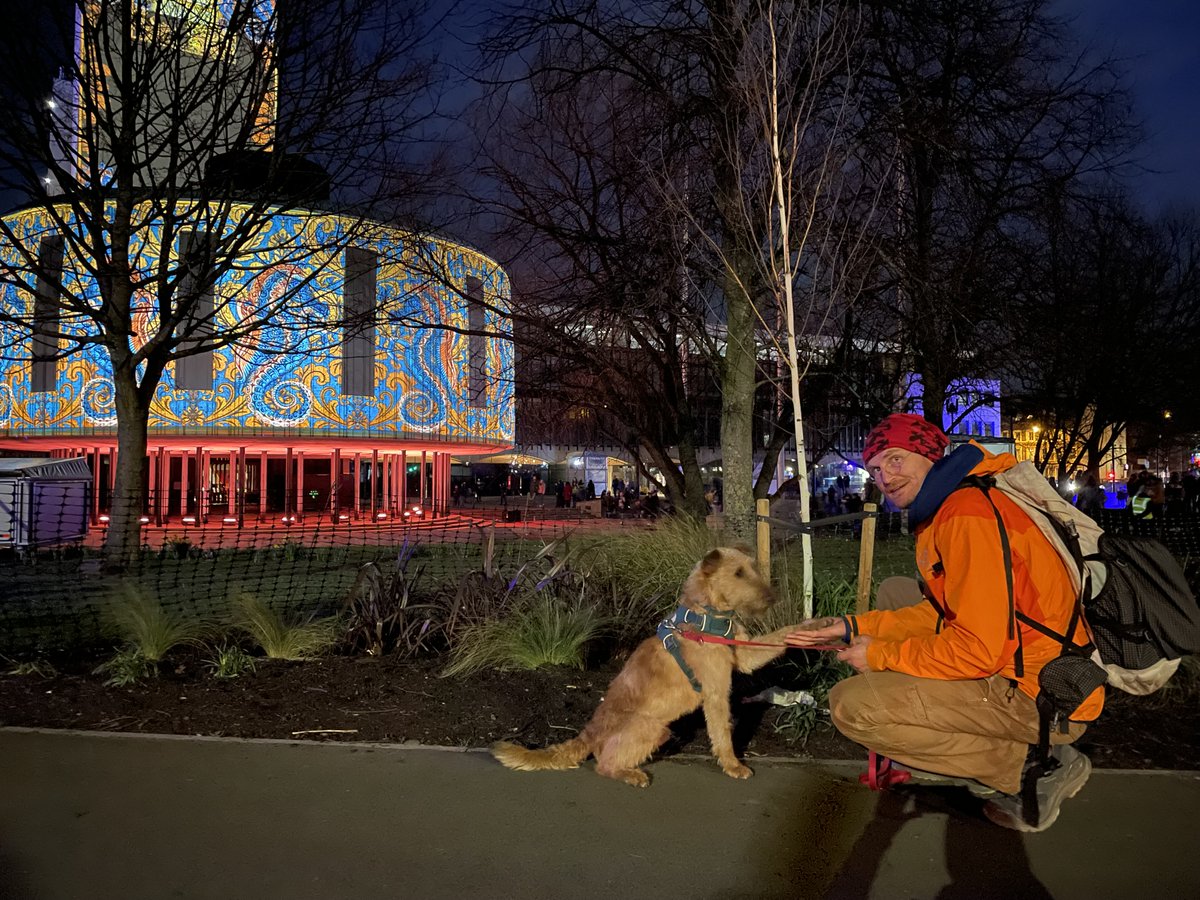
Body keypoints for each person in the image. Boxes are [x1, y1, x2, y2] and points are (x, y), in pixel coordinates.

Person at [786, 413, 1102, 833]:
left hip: (1043, 695)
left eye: (896, 460)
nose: (885, 477)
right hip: (1039, 667)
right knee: (899, 593)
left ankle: (1033, 768)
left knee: (854, 706)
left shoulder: (966, 515)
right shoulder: (959, 500)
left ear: (928, 456)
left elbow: (979, 650)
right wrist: (850, 625)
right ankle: (1006, 750)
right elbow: (942, 613)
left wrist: (879, 655)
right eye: (876, 469)